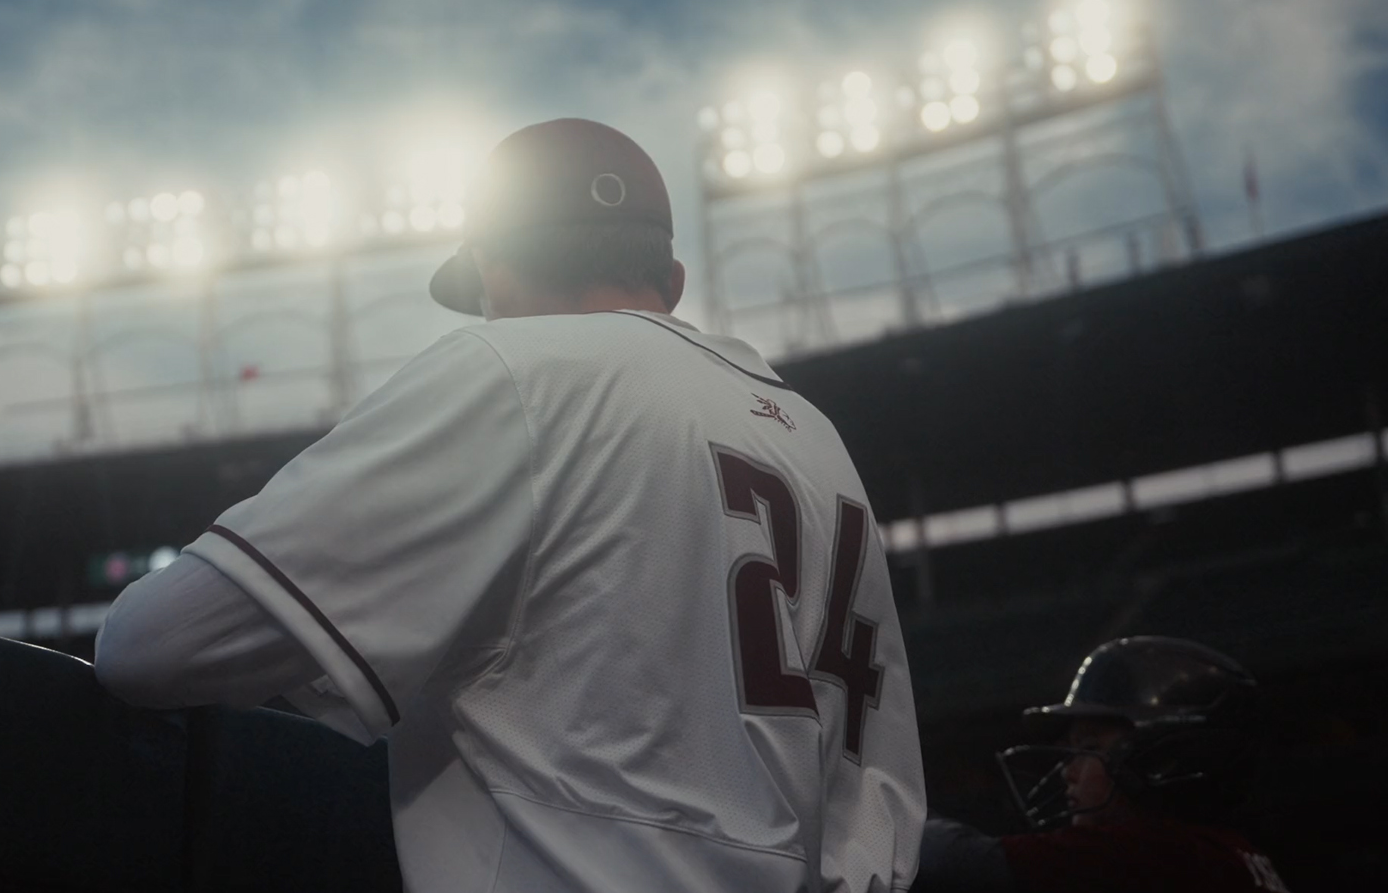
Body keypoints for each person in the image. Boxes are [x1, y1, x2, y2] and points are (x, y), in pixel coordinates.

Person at [94, 118, 924, 892]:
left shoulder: (517, 371)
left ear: (493, 267)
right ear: (671, 280)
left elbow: (151, 645)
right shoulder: (815, 439)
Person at [913, 635, 1292, 893]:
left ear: (1168, 756)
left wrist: (896, 805)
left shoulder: (1158, 853)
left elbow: (953, 861)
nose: (1068, 771)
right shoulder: (1228, 854)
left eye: (1089, 747)